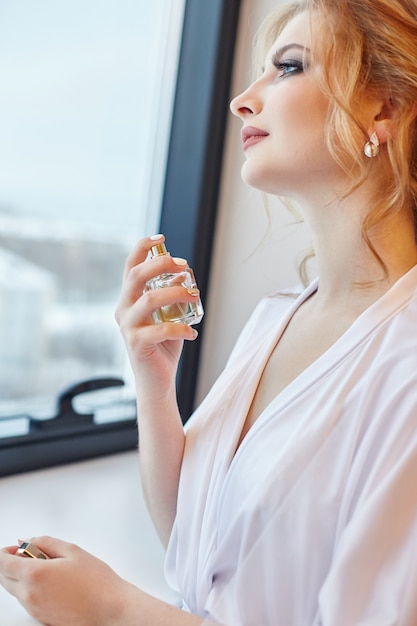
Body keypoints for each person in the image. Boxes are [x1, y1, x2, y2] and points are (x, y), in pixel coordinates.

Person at [1, 0, 417, 623]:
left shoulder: (406, 361)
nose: (243, 100)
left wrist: (115, 611)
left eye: (288, 67)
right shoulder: (273, 320)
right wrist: (153, 377)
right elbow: (197, 549)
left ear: (384, 107)